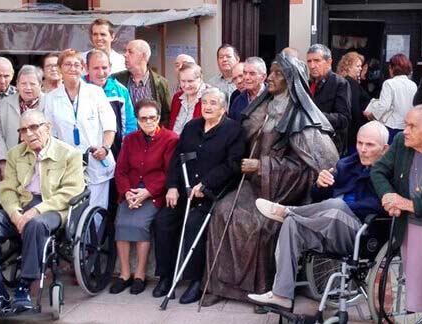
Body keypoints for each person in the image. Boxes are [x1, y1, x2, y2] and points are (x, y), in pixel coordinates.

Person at [204, 52, 339, 306]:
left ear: (291, 79)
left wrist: (262, 166)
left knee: (259, 223)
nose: (271, 79)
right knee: (222, 211)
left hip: (282, 190)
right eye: (272, 72)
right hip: (254, 185)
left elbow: (307, 168)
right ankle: (220, 286)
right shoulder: (263, 107)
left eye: (278, 74)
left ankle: (263, 288)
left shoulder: (302, 118)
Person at [246, 121, 390, 309]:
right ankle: (281, 293)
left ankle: (288, 210)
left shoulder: (389, 171)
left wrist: (345, 206)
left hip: (363, 232)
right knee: (291, 224)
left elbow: (380, 205)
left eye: (369, 145)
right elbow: (318, 198)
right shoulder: (347, 164)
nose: (362, 149)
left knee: (337, 206)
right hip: (331, 224)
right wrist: (320, 184)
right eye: (359, 143)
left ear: (385, 148)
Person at [0, 110, 85, 320]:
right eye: (23, 130)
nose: (29, 133)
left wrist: (35, 211)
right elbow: (6, 188)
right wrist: (14, 212)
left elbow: (72, 191)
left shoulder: (69, 154)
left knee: (36, 225)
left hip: (51, 209)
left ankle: (24, 286)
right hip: (19, 207)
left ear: (47, 127)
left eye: (34, 127)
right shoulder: (15, 154)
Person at [155, 88, 246, 304]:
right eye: (205, 102)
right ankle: (166, 276)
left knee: (194, 223)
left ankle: (195, 280)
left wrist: (206, 184)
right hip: (184, 189)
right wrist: (172, 186)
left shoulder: (234, 131)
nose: (208, 106)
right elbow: (178, 158)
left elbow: (232, 165)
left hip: (212, 192)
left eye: (213, 103)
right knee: (163, 221)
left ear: (223, 108)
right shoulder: (191, 127)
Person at [370, 104, 422, 323]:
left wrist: (408, 204)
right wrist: (388, 196)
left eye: (412, 126)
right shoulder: (401, 143)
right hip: (411, 232)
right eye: (405, 124)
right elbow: (379, 170)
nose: (404, 131)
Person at [111, 99, 179, 295]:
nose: (148, 121)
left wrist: (148, 191)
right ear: (137, 119)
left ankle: (139, 275)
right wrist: (127, 192)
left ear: (158, 118)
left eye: (152, 117)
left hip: (153, 193)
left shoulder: (170, 139)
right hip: (131, 191)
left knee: (140, 225)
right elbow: (121, 170)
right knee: (121, 224)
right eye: (144, 118)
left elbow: (169, 173)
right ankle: (124, 274)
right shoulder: (130, 139)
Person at [42, 49, 117, 209]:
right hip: (68, 163)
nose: (72, 68)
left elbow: (110, 125)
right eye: (68, 64)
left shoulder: (95, 92)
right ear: (60, 68)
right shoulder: (51, 98)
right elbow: (50, 133)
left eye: (77, 65)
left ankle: (96, 235)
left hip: (96, 159)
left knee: (96, 211)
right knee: (73, 211)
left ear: (82, 68)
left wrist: (105, 147)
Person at [84, 48, 138, 159]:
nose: (101, 73)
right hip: (83, 154)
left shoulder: (120, 91)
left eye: (104, 68)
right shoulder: (78, 88)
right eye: (95, 68)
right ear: (86, 68)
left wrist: (126, 153)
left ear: (110, 67)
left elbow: (130, 125)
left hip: (114, 155)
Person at [112, 40, 171, 128]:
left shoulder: (160, 83)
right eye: (126, 51)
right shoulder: (116, 80)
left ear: (143, 56)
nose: (125, 55)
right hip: (125, 137)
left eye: (130, 52)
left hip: (150, 139)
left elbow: (166, 115)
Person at [306, 44, 351, 155]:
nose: (312, 66)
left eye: (317, 61)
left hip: (330, 146)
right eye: (309, 61)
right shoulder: (307, 83)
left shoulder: (340, 83)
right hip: (308, 143)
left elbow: (344, 118)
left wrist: (315, 117)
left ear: (329, 62)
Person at [0, 65, 43, 167]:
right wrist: (3, 161)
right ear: (17, 85)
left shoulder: (49, 103)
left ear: (40, 85)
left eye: (32, 84)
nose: (28, 88)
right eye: (23, 84)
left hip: (43, 162)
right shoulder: (3, 104)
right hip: (12, 162)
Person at [365, 53, 417, 144]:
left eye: (389, 67)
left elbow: (384, 106)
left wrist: (372, 115)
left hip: (392, 126)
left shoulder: (389, 83)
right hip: (407, 127)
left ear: (393, 68)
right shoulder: (413, 85)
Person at [336, 51, 371, 154]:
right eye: (358, 66)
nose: (360, 68)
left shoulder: (343, 81)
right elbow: (354, 108)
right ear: (348, 67)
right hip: (354, 131)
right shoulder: (351, 84)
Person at [169, 62, 208, 134]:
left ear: (200, 78)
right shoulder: (177, 97)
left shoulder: (210, 96)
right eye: (183, 81)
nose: (186, 85)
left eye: (190, 81)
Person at [229, 57, 267, 121]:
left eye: (252, 73)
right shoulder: (237, 101)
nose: (246, 77)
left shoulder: (273, 96)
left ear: (263, 77)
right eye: (245, 73)